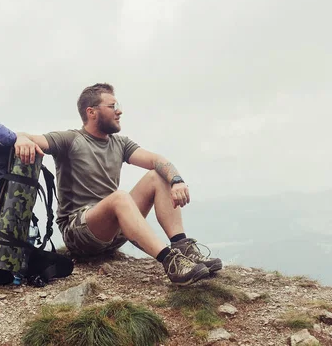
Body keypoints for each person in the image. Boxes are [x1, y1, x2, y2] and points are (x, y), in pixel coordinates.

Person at [15, 83, 222, 285]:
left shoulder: (120, 143)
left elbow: (155, 160)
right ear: (91, 112)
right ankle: (171, 261)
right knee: (120, 197)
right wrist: (22, 139)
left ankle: (183, 247)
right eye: (113, 106)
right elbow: (25, 135)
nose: (119, 111)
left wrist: (176, 180)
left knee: (157, 175)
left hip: (113, 231)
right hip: (78, 233)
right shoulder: (70, 139)